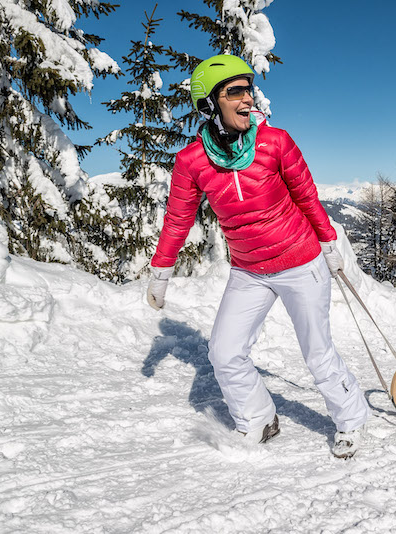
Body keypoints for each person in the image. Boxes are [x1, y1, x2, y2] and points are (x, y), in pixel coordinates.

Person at [146, 54, 370, 458]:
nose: (248, 98)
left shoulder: (276, 142)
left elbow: (307, 196)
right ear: (210, 103)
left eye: (249, 88)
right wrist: (160, 271)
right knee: (224, 351)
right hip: (249, 270)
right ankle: (258, 419)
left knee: (318, 354)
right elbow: (178, 219)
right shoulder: (192, 161)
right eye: (235, 91)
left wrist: (329, 245)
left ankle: (351, 420)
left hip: (301, 262)